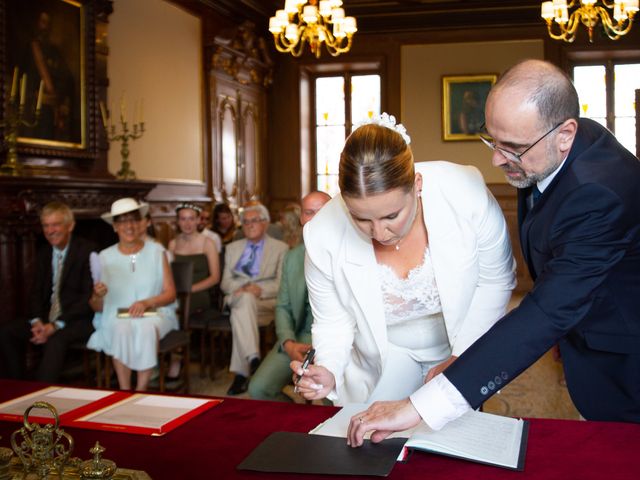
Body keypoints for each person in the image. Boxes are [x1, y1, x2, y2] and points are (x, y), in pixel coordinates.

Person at [346, 60, 640, 448]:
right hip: (589, 332)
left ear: (565, 133)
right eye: (493, 140)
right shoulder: (550, 145)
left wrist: (421, 407)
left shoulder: (598, 191)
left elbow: (549, 309)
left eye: (512, 148)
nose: (497, 160)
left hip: (627, 362)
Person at [293, 113, 516, 407]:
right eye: (361, 218)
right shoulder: (322, 234)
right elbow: (333, 320)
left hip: (460, 337)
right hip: (382, 354)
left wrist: (462, 357)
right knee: (374, 437)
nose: (379, 232)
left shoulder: (465, 193)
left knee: (451, 441)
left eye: (391, 216)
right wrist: (330, 369)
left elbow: (495, 280)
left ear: (417, 184)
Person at [87, 198, 177, 391]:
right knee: (121, 328)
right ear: (114, 227)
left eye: (134, 220)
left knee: (146, 328)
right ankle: (124, 390)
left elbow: (170, 294)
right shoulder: (104, 257)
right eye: (122, 221)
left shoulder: (156, 251)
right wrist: (98, 295)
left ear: (142, 223)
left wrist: (146, 302)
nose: (129, 226)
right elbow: (97, 307)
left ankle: (141, 390)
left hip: (155, 312)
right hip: (117, 315)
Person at [248, 191, 331, 401]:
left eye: (322, 212)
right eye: (309, 213)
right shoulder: (292, 257)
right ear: (301, 218)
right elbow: (283, 306)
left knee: (336, 401)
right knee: (258, 389)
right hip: (297, 337)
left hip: (336, 339)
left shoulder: (352, 253)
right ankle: (298, 422)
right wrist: (288, 343)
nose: (315, 218)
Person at [0, 202, 94, 382]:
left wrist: (55, 325)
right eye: (46, 225)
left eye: (56, 224)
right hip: (46, 319)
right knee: (7, 332)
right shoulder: (43, 252)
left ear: (70, 226)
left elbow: (87, 299)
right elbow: (35, 292)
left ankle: (40, 394)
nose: (50, 231)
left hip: (77, 320)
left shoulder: (88, 251)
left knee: (55, 340)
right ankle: (17, 387)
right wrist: (37, 322)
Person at [221, 202, 289, 395]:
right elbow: (225, 283)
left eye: (255, 221)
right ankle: (253, 360)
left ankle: (243, 372)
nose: (250, 225)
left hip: (264, 301)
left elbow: (281, 284)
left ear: (265, 223)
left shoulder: (280, 248)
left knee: (240, 313)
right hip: (238, 296)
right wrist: (243, 288)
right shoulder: (232, 248)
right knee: (244, 301)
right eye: (246, 222)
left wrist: (258, 289)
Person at [169, 203, 221, 313]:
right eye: (183, 219)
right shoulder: (173, 244)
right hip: (177, 293)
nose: (187, 224)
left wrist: (189, 289)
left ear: (198, 220)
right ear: (178, 222)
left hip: (198, 294)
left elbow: (215, 278)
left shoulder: (208, 243)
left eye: (191, 219)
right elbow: (169, 274)